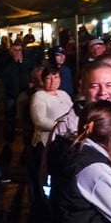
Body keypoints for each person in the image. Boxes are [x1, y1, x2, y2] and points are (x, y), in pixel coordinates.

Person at [28, 67, 73, 210]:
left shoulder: (64, 94)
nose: (53, 81)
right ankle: (44, 204)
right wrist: (61, 127)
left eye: (56, 77)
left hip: (65, 142)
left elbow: (72, 113)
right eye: (49, 78)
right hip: (46, 141)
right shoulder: (39, 96)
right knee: (46, 175)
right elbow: (39, 120)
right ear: (43, 80)